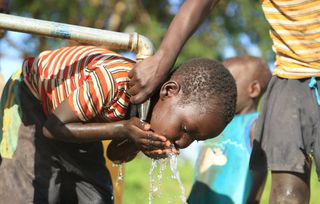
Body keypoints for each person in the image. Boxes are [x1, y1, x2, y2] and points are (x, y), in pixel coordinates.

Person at [130, 0, 320, 202]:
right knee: (286, 195)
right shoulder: (210, 127)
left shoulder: (252, 125)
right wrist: (162, 58)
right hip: (291, 75)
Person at [0, 45, 236, 203]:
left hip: (81, 124)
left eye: (194, 140)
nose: (184, 143)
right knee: (32, 193)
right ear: (168, 91)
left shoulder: (148, 111)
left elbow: (114, 153)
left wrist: (138, 142)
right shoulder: (115, 82)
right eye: (186, 130)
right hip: (33, 104)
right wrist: (122, 129)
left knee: (97, 196)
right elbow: (51, 129)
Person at [187, 56, 271, 204]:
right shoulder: (215, 122)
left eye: (227, 86)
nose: (218, 92)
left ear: (253, 89)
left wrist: (253, 201)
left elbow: (261, 171)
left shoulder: (255, 125)